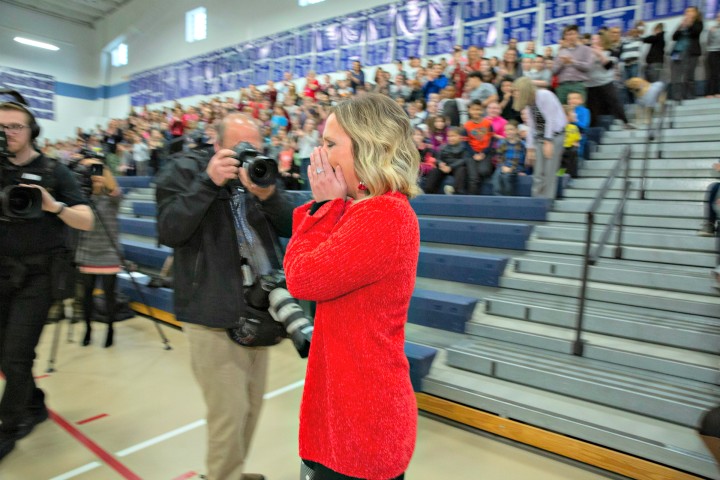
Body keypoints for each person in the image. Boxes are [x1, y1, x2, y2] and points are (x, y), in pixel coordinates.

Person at [284, 93, 419, 480]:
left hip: (362, 427)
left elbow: (301, 277)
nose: (319, 155)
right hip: (346, 415)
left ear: (368, 146)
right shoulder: (364, 211)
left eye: (330, 144)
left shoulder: (384, 216)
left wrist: (324, 206)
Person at [155, 113, 293, 480]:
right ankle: (222, 475)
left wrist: (267, 193)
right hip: (212, 311)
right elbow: (169, 230)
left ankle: (231, 472)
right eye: (238, 147)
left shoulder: (259, 174)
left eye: (255, 147)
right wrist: (208, 182)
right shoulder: (183, 170)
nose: (248, 154)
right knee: (227, 414)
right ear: (216, 145)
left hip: (260, 309)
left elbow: (294, 223)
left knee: (250, 406)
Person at [0, 96, 94, 461]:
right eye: (2, 126)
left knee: (17, 355)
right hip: (2, 272)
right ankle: (35, 403)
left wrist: (53, 205)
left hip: (39, 277)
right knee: (5, 354)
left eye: (14, 126)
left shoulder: (55, 171)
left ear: (32, 130)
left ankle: (10, 425)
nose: (7, 132)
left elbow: (86, 219)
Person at [74, 159, 122, 348]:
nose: (95, 175)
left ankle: (110, 329)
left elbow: (115, 191)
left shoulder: (113, 197)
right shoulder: (82, 197)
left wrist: (103, 169)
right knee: (86, 296)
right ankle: (88, 329)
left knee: (110, 296)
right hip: (86, 251)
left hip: (109, 252)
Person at [512, 76, 567, 199]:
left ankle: (547, 202)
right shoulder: (529, 103)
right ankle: (536, 200)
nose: (514, 94)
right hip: (539, 136)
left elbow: (550, 120)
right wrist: (530, 148)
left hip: (554, 136)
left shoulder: (545, 95)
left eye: (516, 91)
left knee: (549, 172)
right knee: (538, 173)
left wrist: (548, 141)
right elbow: (532, 126)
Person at [553, 25, 593, 104]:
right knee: (562, 112)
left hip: (578, 85)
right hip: (562, 86)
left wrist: (572, 62)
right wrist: (562, 63)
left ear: (577, 35)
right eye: (567, 35)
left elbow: (588, 67)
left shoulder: (586, 49)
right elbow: (554, 71)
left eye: (572, 34)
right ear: (564, 37)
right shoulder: (561, 52)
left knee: (579, 111)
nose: (570, 37)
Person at [670, 6, 704, 101]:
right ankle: (677, 96)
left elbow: (695, 32)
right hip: (678, 51)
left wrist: (689, 24)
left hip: (692, 52)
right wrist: (681, 27)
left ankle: (689, 95)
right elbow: (674, 37)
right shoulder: (682, 24)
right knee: (676, 74)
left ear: (695, 13)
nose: (688, 13)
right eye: (687, 11)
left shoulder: (698, 23)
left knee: (689, 74)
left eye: (690, 11)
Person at [491, 121, 527, 196]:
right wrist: (502, 166)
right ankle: (498, 198)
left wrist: (512, 168)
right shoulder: (501, 142)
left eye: (511, 129)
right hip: (503, 166)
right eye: (506, 130)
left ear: (517, 130)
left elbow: (521, 159)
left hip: (516, 167)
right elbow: (499, 157)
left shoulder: (522, 144)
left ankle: (508, 197)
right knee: (496, 177)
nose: (508, 132)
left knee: (506, 177)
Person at [706, 13, 720, 98]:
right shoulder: (713, 29)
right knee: (713, 73)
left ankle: (717, 91)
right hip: (713, 51)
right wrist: (711, 32)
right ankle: (710, 92)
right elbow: (708, 42)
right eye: (718, 17)